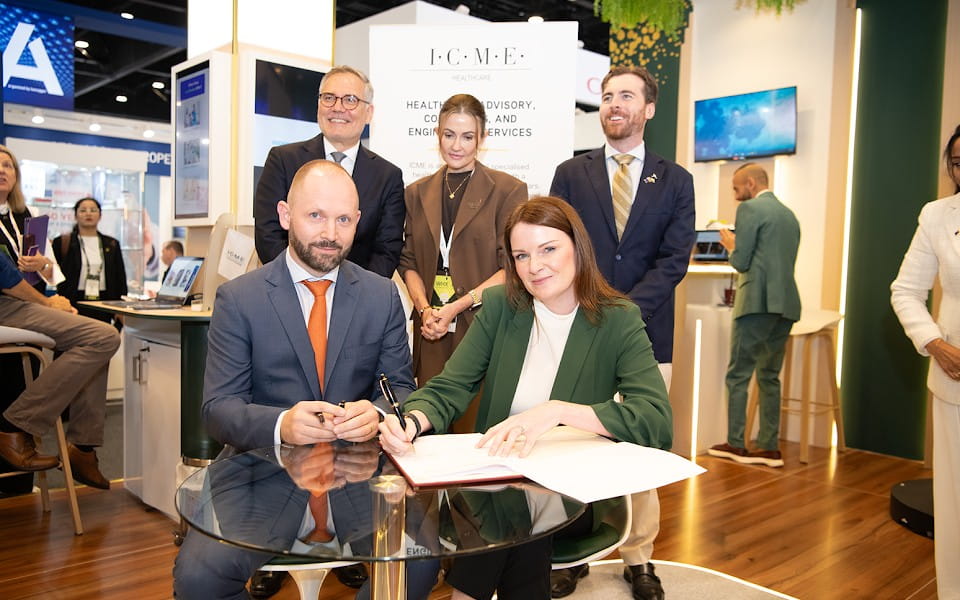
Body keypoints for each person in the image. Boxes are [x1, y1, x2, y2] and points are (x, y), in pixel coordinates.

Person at [380, 196, 672, 600]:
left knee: (514, 515)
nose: (535, 266)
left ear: (577, 247)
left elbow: (655, 420)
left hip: (573, 494)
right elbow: (451, 387)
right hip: (497, 483)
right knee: (506, 510)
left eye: (548, 249)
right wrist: (410, 422)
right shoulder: (501, 307)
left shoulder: (618, 318)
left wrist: (556, 413)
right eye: (521, 255)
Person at [173, 159, 437, 600]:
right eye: (315, 215)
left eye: (343, 219)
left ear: (358, 221)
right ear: (284, 215)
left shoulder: (381, 295)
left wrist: (373, 413)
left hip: (359, 476)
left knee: (419, 562)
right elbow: (217, 409)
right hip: (258, 473)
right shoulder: (240, 298)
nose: (330, 232)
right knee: (199, 579)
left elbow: (400, 392)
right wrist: (282, 425)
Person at [549, 65, 695, 600]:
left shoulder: (675, 180)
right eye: (608, 96)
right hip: (577, 329)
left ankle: (639, 558)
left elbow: (674, 258)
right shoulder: (571, 173)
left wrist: (624, 315)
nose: (614, 104)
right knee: (573, 445)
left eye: (626, 96)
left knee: (640, 449)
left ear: (648, 109)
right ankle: (576, 549)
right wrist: (595, 309)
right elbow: (557, 245)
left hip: (647, 336)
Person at [400, 93, 527, 393]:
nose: (457, 146)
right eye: (449, 135)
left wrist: (455, 307)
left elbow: (510, 267)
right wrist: (425, 311)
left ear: (482, 138)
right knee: (432, 425)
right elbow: (409, 262)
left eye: (467, 136)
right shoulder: (416, 193)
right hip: (432, 332)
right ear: (437, 135)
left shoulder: (508, 191)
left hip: (483, 328)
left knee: (478, 432)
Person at [890, 125, 960, 600]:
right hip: (954, 380)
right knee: (955, 505)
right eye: (956, 161)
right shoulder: (938, 215)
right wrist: (934, 341)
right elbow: (906, 291)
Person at [254, 65, 404, 279]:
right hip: (290, 291)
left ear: (369, 112)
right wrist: (301, 281)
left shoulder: (387, 176)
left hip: (356, 300)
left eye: (350, 100)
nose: (338, 107)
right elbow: (267, 234)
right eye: (329, 98)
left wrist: (348, 291)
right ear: (318, 105)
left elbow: (387, 250)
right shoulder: (283, 160)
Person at [0, 252, 120, 490]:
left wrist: (45, 274)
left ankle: (83, 448)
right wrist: (47, 303)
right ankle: (12, 428)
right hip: (9, 302)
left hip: (18, 299)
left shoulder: (19, 215)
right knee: (102, 337)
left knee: (99, 336)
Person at [708, 163, 800, 468]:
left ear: (750, 183)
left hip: (756, 303)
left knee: (738, 374)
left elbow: (743, 262)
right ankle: (769, 447)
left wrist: (731, 245)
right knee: (770, 376)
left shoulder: (750, 211)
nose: (736, 197)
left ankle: (736, 443)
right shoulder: (790, 216)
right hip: (786, 304)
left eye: (736, 189)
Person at [52, 197, 127, 325]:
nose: (88, 213)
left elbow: (120, 277)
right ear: (75, 215)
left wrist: (120, 308)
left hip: (104, 302)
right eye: (83, 210)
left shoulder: (112, 244)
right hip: (73, 302)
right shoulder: (63, 242)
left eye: (93, 210)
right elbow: (52, 273)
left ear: (100, 215)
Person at [0, 144, 65, 292]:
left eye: (7, 166)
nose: (1, 170)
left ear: (16, 175)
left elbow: (54, 274)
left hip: (34, 302)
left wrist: (42, 265)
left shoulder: (31, 214)